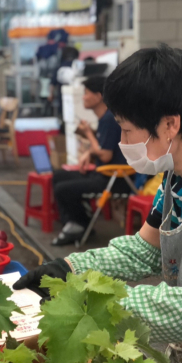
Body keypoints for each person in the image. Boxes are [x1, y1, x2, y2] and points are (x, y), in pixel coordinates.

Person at [15, 45, 182, 363]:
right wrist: (71, 270)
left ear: (169, 124)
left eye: (126, 129)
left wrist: (90, 300)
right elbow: (142, 250)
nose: (122, 142)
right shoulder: (178, 174)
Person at [51, 75, 126, 246]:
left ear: (99, 96)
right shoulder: (105, 118)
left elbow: (105, 155)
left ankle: (78, 225)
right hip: (103, 173)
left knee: (64, 189)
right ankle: (78, 223)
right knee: (59, 176)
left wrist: (89, 134)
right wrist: (90, 152)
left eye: (86, 93)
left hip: (115, 179)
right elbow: (102, 150)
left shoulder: (109, 119)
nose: (83, 97)